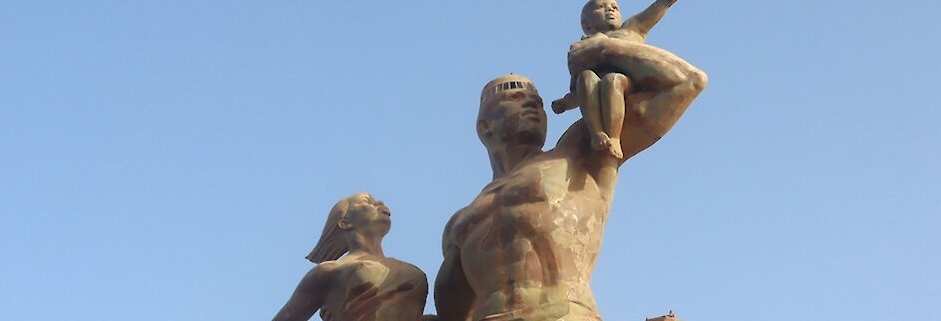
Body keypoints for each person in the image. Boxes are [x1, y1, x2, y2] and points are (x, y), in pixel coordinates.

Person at [434, 60, 707, 319]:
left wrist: (604, 48)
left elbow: (686, 83)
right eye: (514, 98)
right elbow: (451, 312)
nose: (531, 103)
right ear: (485, 126)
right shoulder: (460, 222)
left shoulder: (577, 153)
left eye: (537, 102)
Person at [550, 0, 711, 159]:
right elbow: (577, 92)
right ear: (586, 24)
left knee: (613, 80)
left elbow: (663, 3)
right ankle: (597, 132)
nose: (610, 10)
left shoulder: (631, 30)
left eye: (615, 7)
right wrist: (565, 103)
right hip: (594, 94)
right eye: (601, 7)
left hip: (626, 85)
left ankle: (615, 136)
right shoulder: (581, 49)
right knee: (586, 78)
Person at [273, 193, 429, 321]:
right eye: (367, 202)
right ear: (345, 222)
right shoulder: (330, 271)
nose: (379, 202)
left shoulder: (407, 269)